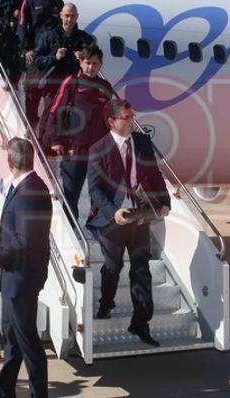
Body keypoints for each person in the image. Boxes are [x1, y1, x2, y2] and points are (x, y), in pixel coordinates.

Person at [87, 99, 171, 347]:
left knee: (141, 269)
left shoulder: (143, 142)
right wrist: (114, 212)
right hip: (112, 218)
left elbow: (154, 173)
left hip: (140, 213)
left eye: (133, 116)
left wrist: (165, 201)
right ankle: (106, 302)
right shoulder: (98, 149)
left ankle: (141, 322)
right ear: (112, 122)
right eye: (127, 117)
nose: (133, 121)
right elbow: (95, 189)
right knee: (112, 267)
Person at [0, 137, 51, 398]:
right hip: (14, 279)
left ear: (9, 161)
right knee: (12, 339)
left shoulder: (31, 190)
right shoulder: (25, 186)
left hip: (21, 279)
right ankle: (5, 390)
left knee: (28, 344)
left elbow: (24, 240)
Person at [43, 44, 113, 221]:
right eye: (88, 63)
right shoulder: (72, 82)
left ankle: (98, 230)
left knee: (99, 195)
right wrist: (56, 140)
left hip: (98, 151)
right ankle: (72, 234)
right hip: (74, 149)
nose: (91, 67)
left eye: (95, 64)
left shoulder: (105, 87)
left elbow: (110, 118)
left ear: (101, 65)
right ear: (81, 62)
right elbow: (55, 111)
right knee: (71, 195)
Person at [29, 3, 94, 131]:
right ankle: (42, 143)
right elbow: (37, 60)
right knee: (49, 117)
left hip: (73, 86)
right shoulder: (49, 36)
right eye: (66, 16)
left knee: (68, 120)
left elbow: (95, 56)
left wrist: (84, 55)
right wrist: (54, 58)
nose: (69, 19)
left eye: (72, 16)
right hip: (52, 86)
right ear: (61, 16)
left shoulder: (84, 38)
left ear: (77, 17)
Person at [18, 0, 64, 67]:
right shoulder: (30, 1)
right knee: (33, 80)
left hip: (52, 50)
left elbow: (63, 26)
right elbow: (22, 25)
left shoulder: (59, 3)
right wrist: (25, 48)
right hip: (33, 50)